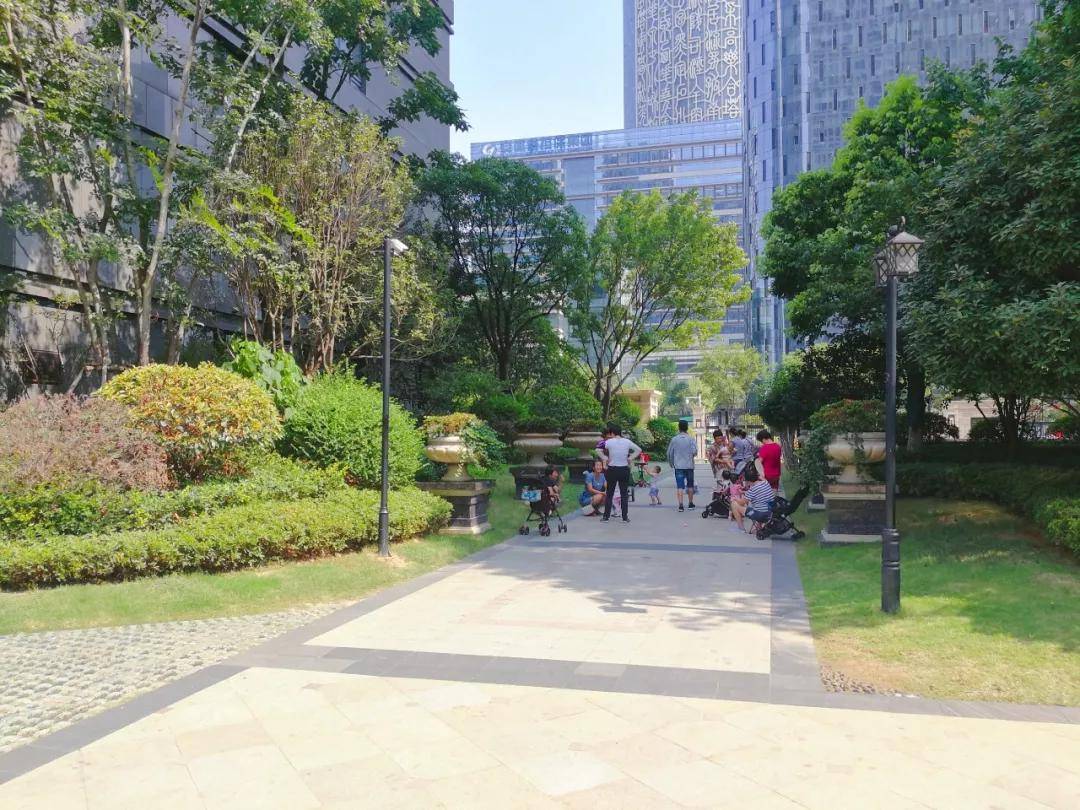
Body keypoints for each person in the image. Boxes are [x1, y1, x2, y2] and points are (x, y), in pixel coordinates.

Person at [598, 423, 641, 522]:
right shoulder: (627, 441)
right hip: (624, 469)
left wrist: (605, 458)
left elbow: (597, 449)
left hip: (612, 469)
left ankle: (606, 517)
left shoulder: (608, 442)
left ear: (612, 433)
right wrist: (630, 458)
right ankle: (625, 517)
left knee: (609, 493)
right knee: (624, 494)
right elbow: (639, 450)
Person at [667, 419, 698, 512]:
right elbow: (695, 452)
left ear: (679, 427)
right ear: (687, 428)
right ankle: (690, 504)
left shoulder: (674, 439)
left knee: (680, 486)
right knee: (690, 485)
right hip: (689, 466)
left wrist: (671, 463)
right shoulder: (691, 439)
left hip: (678, 466)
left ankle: (681, 506)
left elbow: (669, 453)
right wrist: (690, 455)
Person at [740, 466, 775, 536]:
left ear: (747, 481)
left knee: (735, 505)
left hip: (760, 515)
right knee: (759, 504)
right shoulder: (765, 482)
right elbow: (761, 477)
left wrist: (735, 499)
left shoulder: (752, 490)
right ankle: (759, 527)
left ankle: (741, 529)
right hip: (771, 513)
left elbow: (742, 503)